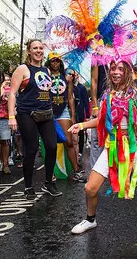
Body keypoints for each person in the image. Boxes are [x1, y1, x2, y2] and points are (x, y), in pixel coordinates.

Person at [68, 58, 137, 238]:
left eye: (120, 69)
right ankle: (90, 219)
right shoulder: (107, 96)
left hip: (135, 147)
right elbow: (101, 121)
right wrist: (82, 125)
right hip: (113, 147)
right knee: (90, 189)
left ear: (128, 72)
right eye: (113, 69)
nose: (116, 72)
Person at [8, 39, 61, 200]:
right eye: (35, 48)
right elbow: (12, 93)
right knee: (30, 150)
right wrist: (11, 116)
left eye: (40, 48)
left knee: (52, 146)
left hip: (46, 113)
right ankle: (28, 186)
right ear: (29, 51)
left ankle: (48, 183)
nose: (38, 50)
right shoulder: (22, 69)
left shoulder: (46, 70)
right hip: (27, 114)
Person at [45, 52, 85, 182]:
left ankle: (76, 171)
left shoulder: (66, 78)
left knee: (68, 142)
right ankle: (51, 173)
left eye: (57, 61)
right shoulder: (45, 76)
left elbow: (70, 98)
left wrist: (73, 116)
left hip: (63, 112)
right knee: (50, 144)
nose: (55, 63)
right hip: (48, 111)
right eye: (53, 61)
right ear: (49, 62)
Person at [72, 71, 90, 167]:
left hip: (80, 112)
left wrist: (87, 115)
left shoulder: (82, 87)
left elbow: (86, 102)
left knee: (81, 132)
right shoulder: (68, 86)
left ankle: (80, 152)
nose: (74, 77)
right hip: (72, 112)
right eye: (72, 75)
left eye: (75, 75)